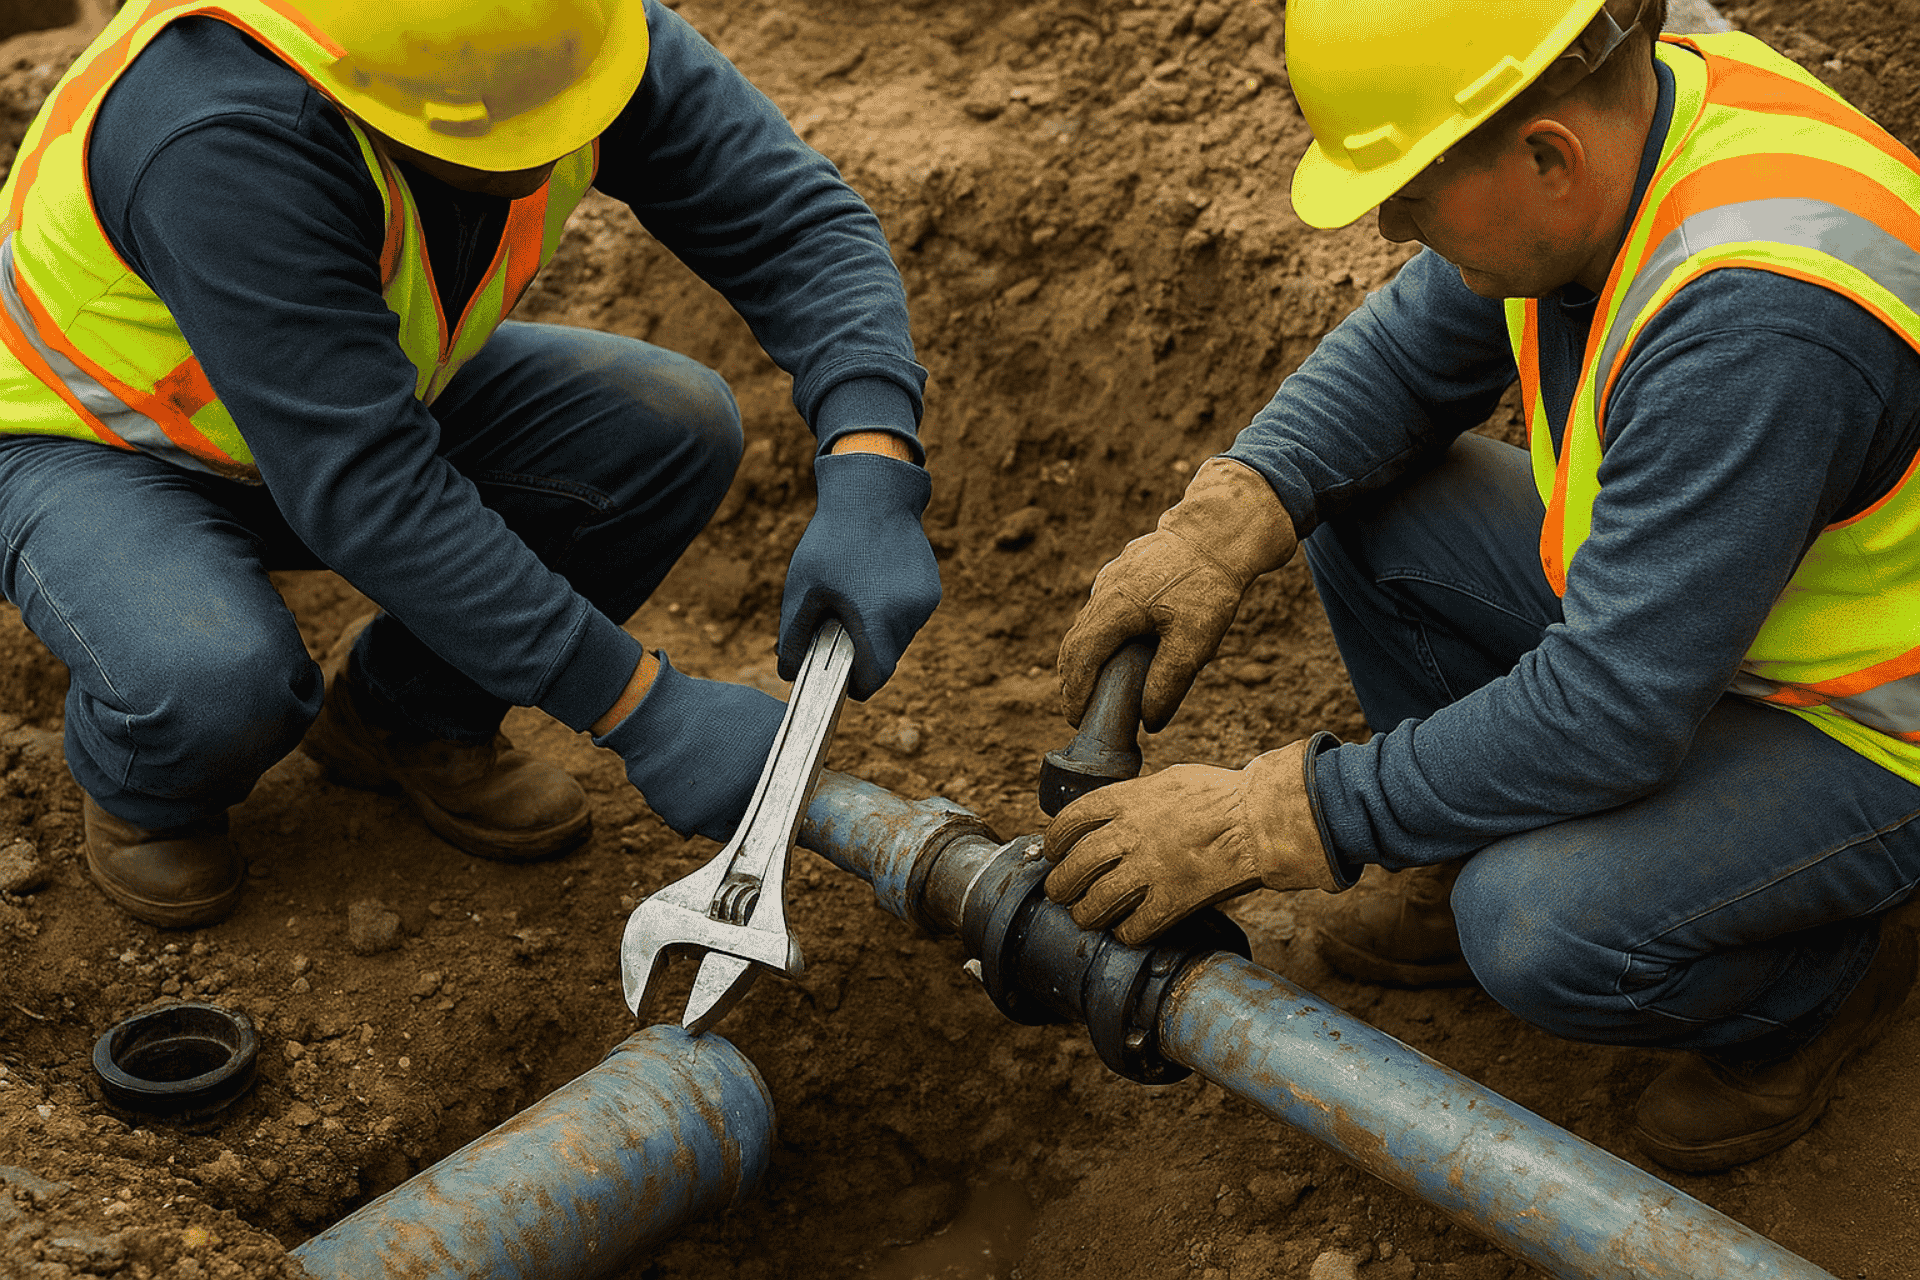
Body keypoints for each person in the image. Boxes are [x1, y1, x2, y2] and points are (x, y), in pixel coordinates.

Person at [1043, 0, 1920, 1174]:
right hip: (1716, 619)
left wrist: (1273, 815)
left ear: (1547, 157)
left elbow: (1610, 711)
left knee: (1538, 925)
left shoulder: (1753, 325)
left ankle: (1824, 973)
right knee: (1358, 498)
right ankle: (1457, 848)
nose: (1403, 230)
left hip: (1873, 722)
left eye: (1411, 201)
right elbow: (1410, 353)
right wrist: (1222, 520)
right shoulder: (1622, 121)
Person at [0, 0, 940, 930]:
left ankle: (405, 714)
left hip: (342, 399)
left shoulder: (559, 31)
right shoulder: (221, 128)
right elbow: (370, 492)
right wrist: (645, 711)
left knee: (667, 428)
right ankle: (145, 790)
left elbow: (792, 220)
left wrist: (873, 464)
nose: (552, 143)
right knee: (213, 680)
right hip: (89, 434)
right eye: (505, 131)